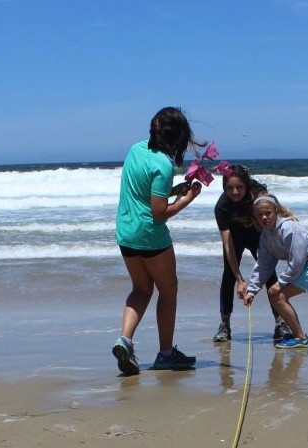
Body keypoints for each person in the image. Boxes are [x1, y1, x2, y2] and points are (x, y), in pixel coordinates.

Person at [112, 106, 204, 375]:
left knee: (141, 289)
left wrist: (175, 190)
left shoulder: (136, 150)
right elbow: (159, 213)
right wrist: (186, 200)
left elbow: (146, 194)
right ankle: (166, 354)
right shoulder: (163, 164)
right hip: (151, 236)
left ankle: (125, 340)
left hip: (126, 232)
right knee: (168, 290)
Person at [212, 165, 291, 344]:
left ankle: (280, 323)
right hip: (236, 238)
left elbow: (271, 218)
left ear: (246, 185)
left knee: (269, 274)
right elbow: (227, 243)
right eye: (230, 188)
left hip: (257, 236)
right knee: (228, 275)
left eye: (239, 187)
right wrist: (240, 279)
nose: (235, 191)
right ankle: (225, 325)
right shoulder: (222, 207)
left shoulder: (257, 192)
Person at [242, 194, 308, 348]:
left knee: (278, 297)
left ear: (276, 211)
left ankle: (300, 338)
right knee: (277, 297)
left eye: (268, 213)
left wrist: (280, 282)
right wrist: (251, 291)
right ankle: (297, 335)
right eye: (260, 215)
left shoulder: (290, 228)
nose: (264, 217)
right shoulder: (266, 235)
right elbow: (263, 265)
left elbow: (298, 261)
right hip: (302, 267)